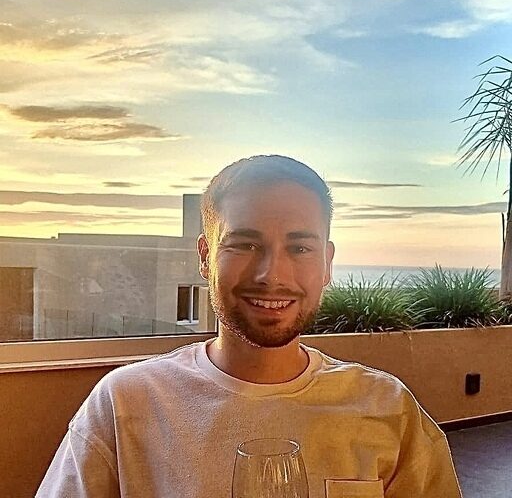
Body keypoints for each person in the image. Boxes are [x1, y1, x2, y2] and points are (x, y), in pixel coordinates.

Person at [36, 155, 462, 497]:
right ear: (205, 257)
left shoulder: (388, 408)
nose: (271, 274)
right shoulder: (125, 404)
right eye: (244, 244)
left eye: (299, 248)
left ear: (327, 263)